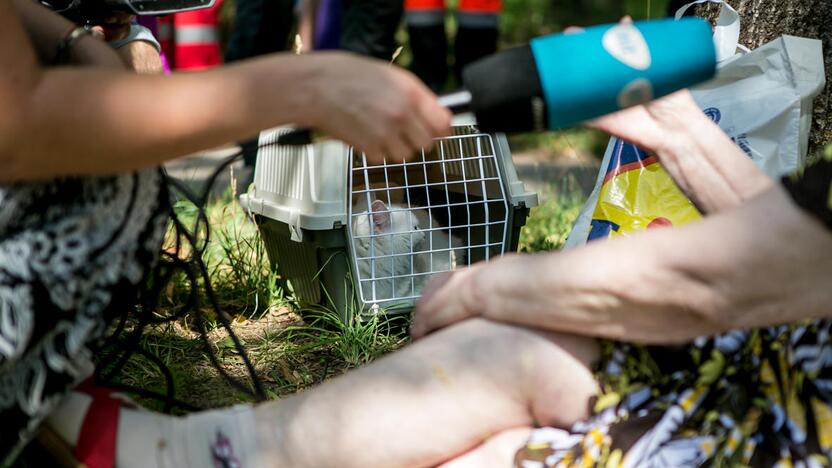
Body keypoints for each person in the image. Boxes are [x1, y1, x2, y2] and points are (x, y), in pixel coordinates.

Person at [412, 91, 832, 465]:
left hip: (787, 432)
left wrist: (483, 284)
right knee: (510, 355)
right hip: (770, 369)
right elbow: (796, 242)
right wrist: (677, 130)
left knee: (496, 439)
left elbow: (703, 285)